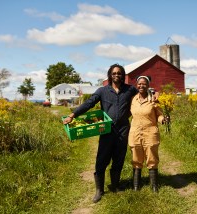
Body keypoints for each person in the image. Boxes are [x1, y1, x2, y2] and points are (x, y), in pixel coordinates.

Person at [63, 64, 138, 203]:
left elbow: (142, 94)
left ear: (123, 75)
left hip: (123, 129)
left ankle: (115, 186)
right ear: (110, 75)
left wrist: (154, 95)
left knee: (119, 158)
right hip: (107, 129)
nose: (117, 75)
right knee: (102, 159)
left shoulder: (130, 89)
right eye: (114, 73)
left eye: (119, 73)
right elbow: (89, 103)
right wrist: (73, 115)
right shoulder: (103, 91)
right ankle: (99, 190)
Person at [128, 76, 168, 192]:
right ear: (137, 85)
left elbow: (159, 114)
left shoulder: (153, 99)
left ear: (148, 85)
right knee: (136, 158)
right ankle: (136, 185)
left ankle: (154, 186)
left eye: (144, 84)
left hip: (150, 132)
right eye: (139, 84)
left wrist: (162, 120)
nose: (141, 86)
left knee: (151, 158)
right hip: (135, 132)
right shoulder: (133, 99)